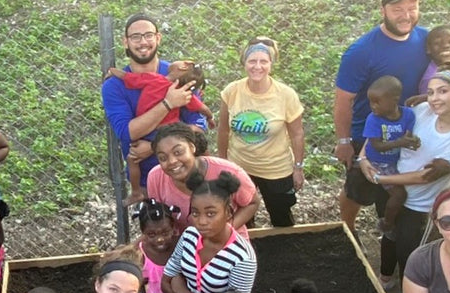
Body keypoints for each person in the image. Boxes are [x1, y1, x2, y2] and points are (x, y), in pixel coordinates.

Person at [333, 0, 430, 232]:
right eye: (397, 9)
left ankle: (390, 233)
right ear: (383, 10)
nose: (406, 15)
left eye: (412, 8)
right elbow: (344, 99)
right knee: (357, 190)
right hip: (370, 133)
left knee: (397, 190)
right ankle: (348, 230)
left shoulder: (427, 40)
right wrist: (344, 141)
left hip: (408, 130)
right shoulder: (361, 51)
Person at [371, 70, 450, 281]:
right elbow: (384, 129)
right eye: (430, 92)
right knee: (388, 237)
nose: (434, 98)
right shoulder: (422, 110)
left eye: (443, 91)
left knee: (409, 253)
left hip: (417, 203)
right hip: (390, 188)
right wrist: (363, 159)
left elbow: (424, 177)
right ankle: (384, 280)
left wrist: (380, 178)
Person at [101, 14, 209, 187]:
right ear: (125, 42)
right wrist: (168, 104)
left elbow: (198, 126)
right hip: (148, 181)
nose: (143, 42)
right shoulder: (114, 86)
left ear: (158, 38)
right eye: (135, 36)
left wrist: (153, 146)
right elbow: (127, 132)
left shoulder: (180, 74)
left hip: (189, 175)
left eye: (148, 35)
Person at [216, 37, 305, 228]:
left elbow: (297, 134)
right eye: (252, 61)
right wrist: (223, 163)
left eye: (263, 61)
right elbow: (223, 130)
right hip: (240, 166)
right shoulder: (232, 91)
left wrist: (298, 167)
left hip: (276, 168)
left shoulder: (286, 95)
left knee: (282, 218)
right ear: (244, 63)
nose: (257, 66)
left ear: (271, 64)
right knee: (241, 219)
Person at [160, 170, 259, 293]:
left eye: (211, 213)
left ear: (228, 213)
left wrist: (182, 290)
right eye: (195, 213)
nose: (201, 221)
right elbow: (166, 283)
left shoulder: (243, 258)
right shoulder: (189, 236)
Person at [110, 61, 213, 204]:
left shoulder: (154, 78)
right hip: (172, 132)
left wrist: (112, 71)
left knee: (132, 159)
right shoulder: (182, 92)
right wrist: (210, 117)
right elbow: (202, 108)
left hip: (152, 131)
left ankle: (135, 192)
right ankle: (211, 177)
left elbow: (128, 77)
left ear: (182, 67)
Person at [145, 124, 259, 237]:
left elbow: (252, 203)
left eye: (178, 152)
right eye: (163, 158)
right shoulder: (156, 178)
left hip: (227, 241)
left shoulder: (228, 172)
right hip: (184, 245)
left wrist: (223, 231)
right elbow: (159, 219)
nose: (172, 161)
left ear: (192, 147)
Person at [358, 76, 418, 237]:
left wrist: (413, 142)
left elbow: (409, 137)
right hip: (379, 162)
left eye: (377, 102)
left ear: (395, 99)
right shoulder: (373, 119)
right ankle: (387, 224)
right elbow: (376, 145)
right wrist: (400, 142)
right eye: (370, 101)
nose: (372, 106)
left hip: (397, 160)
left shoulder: (409, 115)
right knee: (400, 194)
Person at [135, 199, 179, 293]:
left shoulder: (181, 246)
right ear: (143, 232)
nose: (159, 239)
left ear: (173, 227)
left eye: (165, 233)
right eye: (151, 235)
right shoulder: (140, 253)